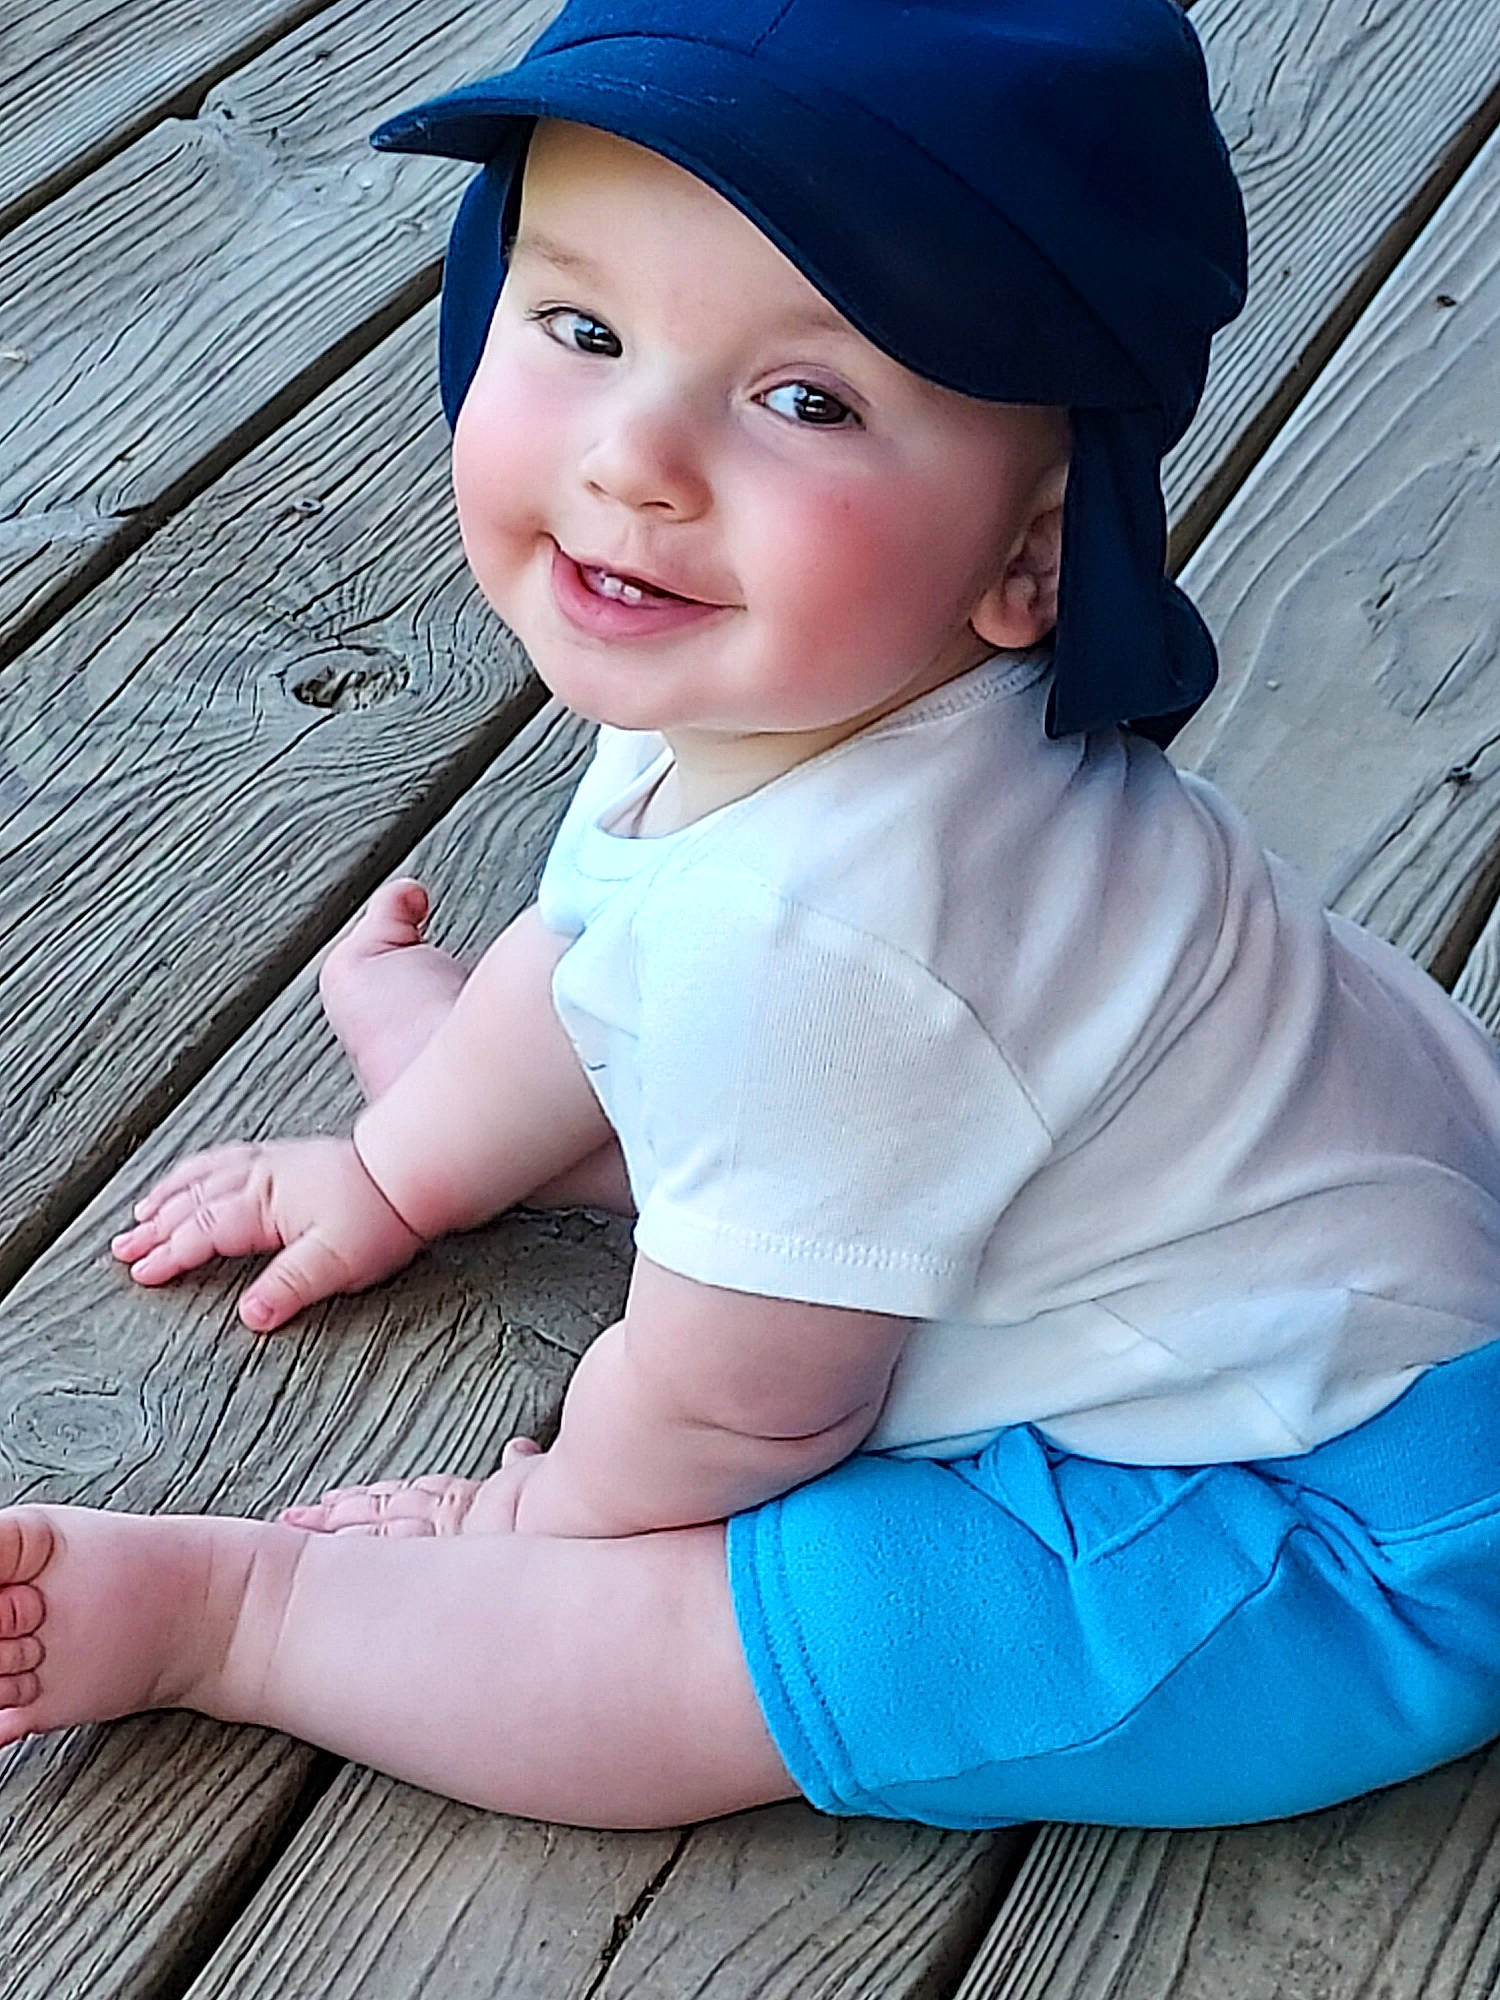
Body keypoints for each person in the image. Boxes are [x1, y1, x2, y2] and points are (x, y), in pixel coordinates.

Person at [3, 0, 1500, 1833]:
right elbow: (601, 942)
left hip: (1347, 1514)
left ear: (1037, 551)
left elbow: (739, 1410)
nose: (637, 456)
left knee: (770, 1646)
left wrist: (530, 1531)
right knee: (718, 1111)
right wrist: (403, 1169)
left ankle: (243, 1617)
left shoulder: (839, 940)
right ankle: (526, 1139)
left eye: (808, 398)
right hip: (1230, 1233)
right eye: (581, 326)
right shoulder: (793, 702)